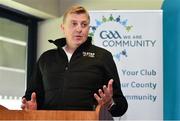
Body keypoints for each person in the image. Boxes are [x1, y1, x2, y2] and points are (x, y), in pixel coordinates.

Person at [21, 5, 128, 117]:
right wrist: (31, 108)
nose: (79, 29)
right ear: (63, 28)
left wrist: (110, 103)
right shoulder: (46, 58)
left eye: (84, 24)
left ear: (88, 28)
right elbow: (30, 97)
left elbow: (121, 106)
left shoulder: (102, 56)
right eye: (74, 24)